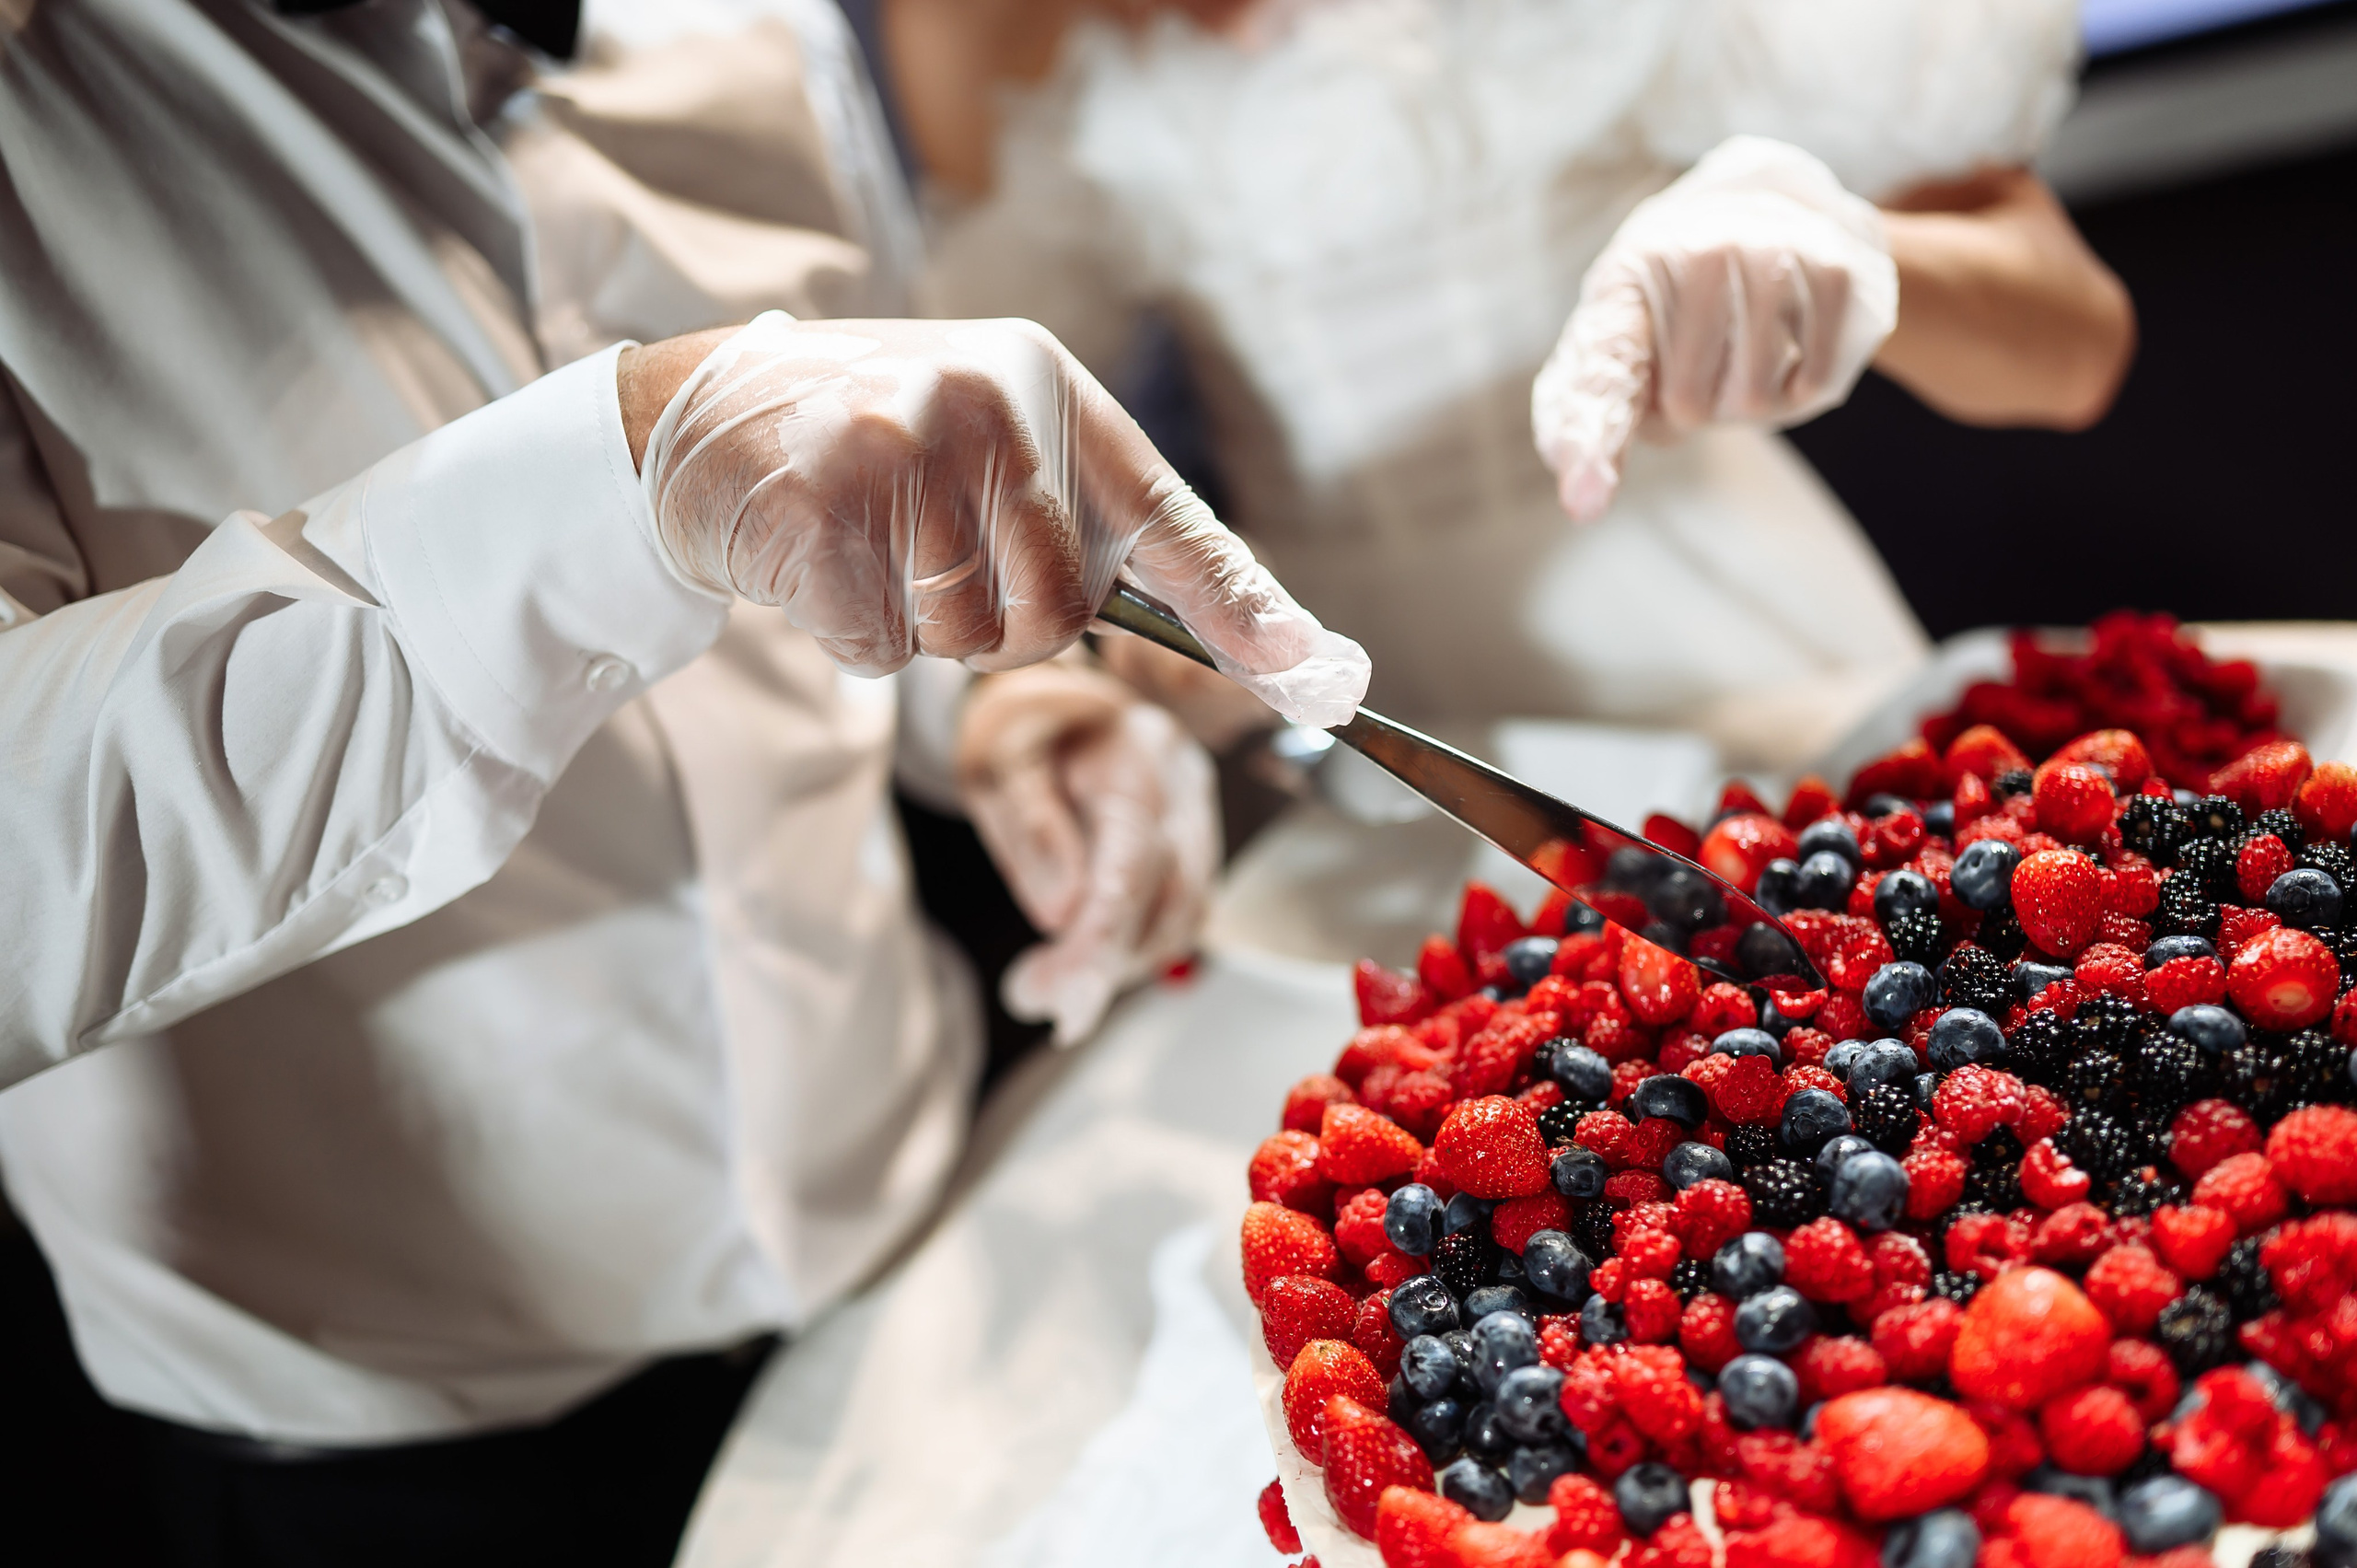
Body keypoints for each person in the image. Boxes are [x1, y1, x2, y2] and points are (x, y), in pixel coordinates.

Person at [0, 1, 1363, 1562]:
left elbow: (845, 520)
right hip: (399, 1449)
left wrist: (1003, 716)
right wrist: (619, 476)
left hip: (925, 1247)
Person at [878, 0, 2136, 767]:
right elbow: (974, 465)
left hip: (1718, 626)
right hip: (1342, 717)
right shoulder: (985, 18)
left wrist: (1851, 254)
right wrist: (1070, 689)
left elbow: (2075, 344)